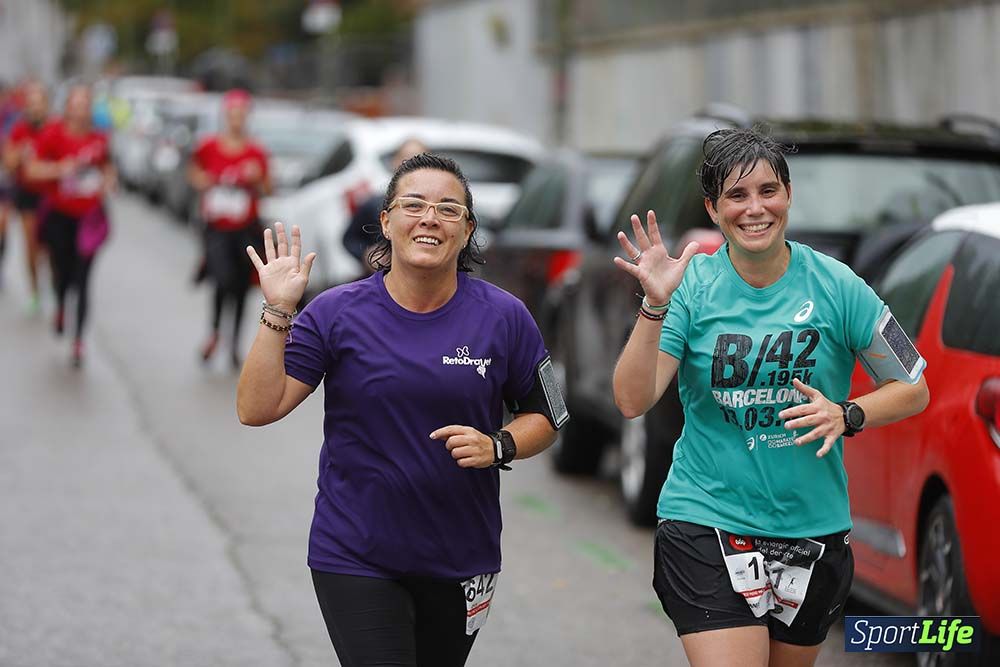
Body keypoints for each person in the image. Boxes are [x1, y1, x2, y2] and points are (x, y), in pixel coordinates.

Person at [611, 127, 930, 667]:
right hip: (707, 519)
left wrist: (847, 412)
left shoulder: (838, 285)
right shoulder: (691, 288)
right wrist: (654, 305)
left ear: (788, 195)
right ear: (713, 209)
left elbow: (913, 387)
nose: (754, 209)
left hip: (812, 531)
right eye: (736, 195)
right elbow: (631, 400)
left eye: (767, 191)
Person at [236, 153, 568, 667]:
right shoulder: (336, 313)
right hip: (355, 553)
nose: (430, 218)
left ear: (467, 231)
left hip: (462, 556)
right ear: (386, 222)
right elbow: (256, 408)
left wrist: (498, 443)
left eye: (448, 209)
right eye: (413, 205)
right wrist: (278, 309)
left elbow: (549, 416)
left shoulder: (504, 317)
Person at [29, 84, 114, 367]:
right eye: (76, 104)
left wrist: (108, 182)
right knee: (62, 273)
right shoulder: (53, 133)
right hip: (59, 216)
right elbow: (32, 169)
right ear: (68, 107)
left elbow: (108, 168)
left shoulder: (99, 139)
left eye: (85, 104)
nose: (81, 110)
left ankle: (78, 340)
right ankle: (60, 305)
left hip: (88, 219)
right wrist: (60, 169)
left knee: (84, 278)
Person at [188, 89, 271, 368]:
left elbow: (268, 187)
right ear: (225, 116)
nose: (237, 120)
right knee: (221, 280)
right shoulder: (209, 146)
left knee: (240, 286)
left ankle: (234, 343)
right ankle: (214, 333)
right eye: (232, 115)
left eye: (242, 115)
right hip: (216, 227)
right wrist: (207, 180)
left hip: (245, 227)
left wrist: (255, 178)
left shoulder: (256, 151)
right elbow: (193, 173)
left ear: (247, 117)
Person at [342, 137, 428, 274]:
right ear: (394, 162)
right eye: (406, 159)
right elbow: (349, 239)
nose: (412, 165)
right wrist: (366, 255)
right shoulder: (373, 204)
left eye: (420, 160)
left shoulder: (438, 209)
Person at [3, 80, 51, 309]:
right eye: (30, 103)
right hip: (27, 193)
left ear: (46, 105)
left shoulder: (55, 128)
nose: (34, 108)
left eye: (39, 103)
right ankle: (34, 290)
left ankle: (54, 282)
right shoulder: (19, 129)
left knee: (49, 247)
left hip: (52, 196)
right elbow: (8, 163)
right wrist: (21, 154)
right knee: (31, 245)